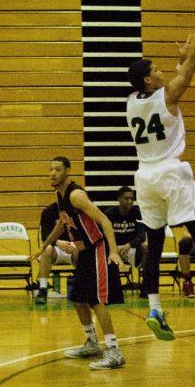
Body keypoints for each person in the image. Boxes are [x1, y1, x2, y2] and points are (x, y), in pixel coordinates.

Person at [126, 11, 195, 339]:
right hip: (170, 173)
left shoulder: (132, 101)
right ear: (147, 80)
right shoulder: (169, 96)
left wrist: (178, 62)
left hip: (144, 176)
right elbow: (193, 66)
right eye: (155, 70)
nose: (160, 72)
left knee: (156, 243)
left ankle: (155, 309)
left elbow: (170, 84)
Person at [36, 156, 127, 370]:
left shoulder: (76, 195)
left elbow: (104, 220)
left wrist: (113, 251)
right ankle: (92, 343)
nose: (52, 173)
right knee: (77, 299)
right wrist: (44, 246)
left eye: (57, 169)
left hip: (97, 249)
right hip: (82, 252)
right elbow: (62, 224)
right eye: (50, 169)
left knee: (96, 301)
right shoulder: (59, 196)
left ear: (67, 171)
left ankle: (114, 351)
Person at [108, 185, 147, 293]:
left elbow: (142, 236)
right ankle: (112, 287)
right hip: (113, 249)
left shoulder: (137, 212)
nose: (130, 201)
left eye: (132, 199)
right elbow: (103, 234)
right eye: (126, 198)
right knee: (102, 249)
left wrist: (130, 244)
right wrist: (112, 248)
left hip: (131, 248)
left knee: (145, 247)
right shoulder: (109, 213)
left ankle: (145, 284)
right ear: (119, 199)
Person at [34, 200, 70, 305]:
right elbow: (44, 236)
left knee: (84, 251)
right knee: (47, 249)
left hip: (73, 247)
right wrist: (57, 242)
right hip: (56, 249)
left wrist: (74, 244)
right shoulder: (48, 211)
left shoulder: (78, 210)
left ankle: (86, 289)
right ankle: (43, 289)